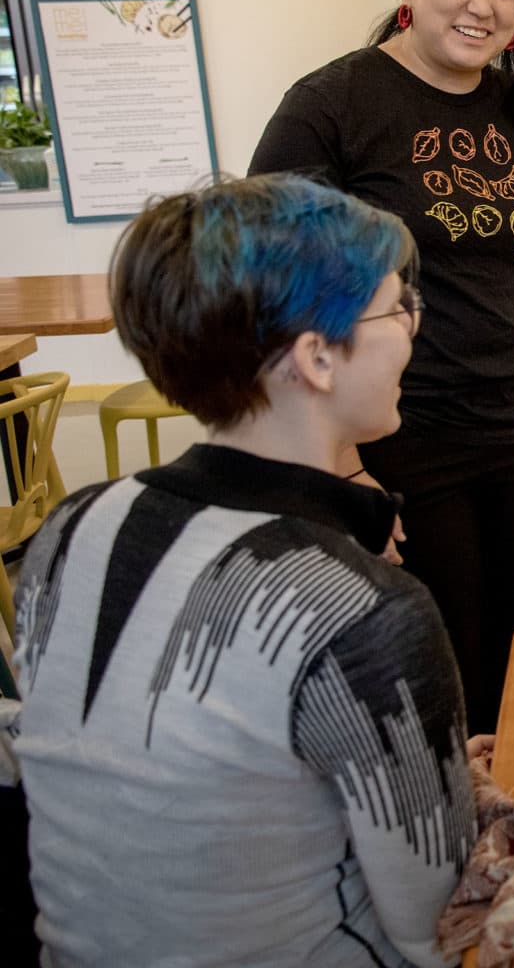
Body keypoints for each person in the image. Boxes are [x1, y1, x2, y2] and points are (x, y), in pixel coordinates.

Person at [10, 175, 473, 967]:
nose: (413, 328)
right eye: (400, 306)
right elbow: (435, 924)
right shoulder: (363, 610)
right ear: (318, 358)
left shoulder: (70, 526)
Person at [250, 0, 514, 733]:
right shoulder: (333, 105)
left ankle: (503, 845)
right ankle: (442, 850)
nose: (482, 5)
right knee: (433, 679)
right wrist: (339, 470)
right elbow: (262, 294)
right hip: (397, 447)